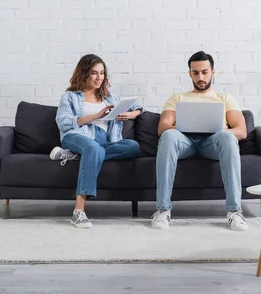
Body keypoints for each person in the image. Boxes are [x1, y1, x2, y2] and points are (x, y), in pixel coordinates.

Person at [151, 51, 249, 231]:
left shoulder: (225, 99)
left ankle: (234, 211)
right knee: (169, 135)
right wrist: (184, 128)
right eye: (195, 73)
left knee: (228, 136)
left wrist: (220, 130)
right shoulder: (177, 98)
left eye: (204, 72)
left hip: (212, 143)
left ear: (213, 72)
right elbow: (163, 126)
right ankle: (163, 210)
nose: (200, 77)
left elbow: (241, 131)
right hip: (185, 142)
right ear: (190, 74)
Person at [51, 54, 142, 229]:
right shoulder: (70, 97)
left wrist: (131, 114)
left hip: (103, 142)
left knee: (133, 146)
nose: (99, 77)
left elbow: (138, 107)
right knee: (93, 148)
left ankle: (78, 156)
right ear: (84, 74)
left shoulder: (110, 98)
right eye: (94, 73)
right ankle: (78, 211)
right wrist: (96, 116)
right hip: (78, 136)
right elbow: (63, 122)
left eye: (101, 73)